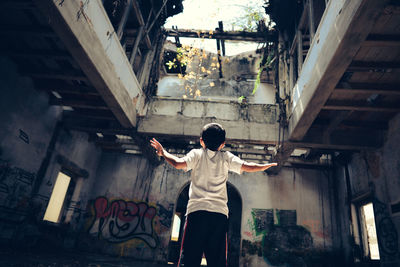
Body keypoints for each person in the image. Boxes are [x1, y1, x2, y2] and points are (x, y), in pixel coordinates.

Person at [150, 123, 277, 267]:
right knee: (217, 261)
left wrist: (163, 153)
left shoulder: (196, 154)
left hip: (196, 213)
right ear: (222, 144)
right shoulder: (226, 157)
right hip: (219, 215)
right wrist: (264, 166)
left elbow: (178, 164)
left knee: (190, 258)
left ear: (201, 141)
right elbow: (247, 166)